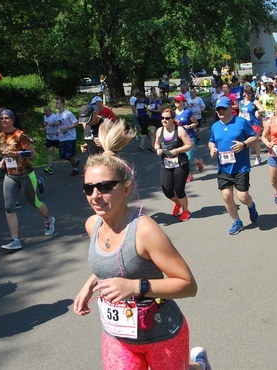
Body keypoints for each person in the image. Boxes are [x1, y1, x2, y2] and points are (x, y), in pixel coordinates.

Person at [72, 119, 211, 370]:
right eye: (89, 188)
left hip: (161, 334)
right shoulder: (93, 224)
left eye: (105, 187)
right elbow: (111, 263)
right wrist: (87, 287)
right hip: (117, 336)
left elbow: (188, 286)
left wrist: (136, 286)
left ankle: (199, 366)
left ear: (125, 189)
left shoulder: (144, 230)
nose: (95, 195)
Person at [0, 109, 55, 250]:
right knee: (8, 207)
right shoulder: (2, 135)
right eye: (1, 118)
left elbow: (32, 154)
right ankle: (15, 240)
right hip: (10, 175)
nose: (3, 120)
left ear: (12, 120)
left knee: (34, 202)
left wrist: (15, 153)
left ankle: (48, 219)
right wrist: (3, 160)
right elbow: (5, 152)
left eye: (6, 118)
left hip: (25, 174)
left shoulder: (20, 135)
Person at [209, 97, 259, 235]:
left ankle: (251, 206)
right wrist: (212, 148)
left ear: (231, 108)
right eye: (218, 109)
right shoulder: (215, 126)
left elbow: (254, 137)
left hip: (240, 167)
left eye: (223, 108)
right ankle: (237, 221)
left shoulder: (241, 122)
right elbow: (212, 141)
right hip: (223, 168)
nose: (220, 111)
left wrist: (243, 144)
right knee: (226, 196)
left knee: (242, 197)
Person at [154, 108, 193, 221]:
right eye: (162, 118)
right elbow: (156, 143)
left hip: (180, 163)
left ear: (172, 119)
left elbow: (189, 145)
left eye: (167, 118)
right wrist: (157, 149)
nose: (164, 120)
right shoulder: (159, 131)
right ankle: (177, 203)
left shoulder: (179, 130)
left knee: (179, 189)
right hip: (166, 163)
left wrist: (178, 150)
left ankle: (186, 211)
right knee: (167, 189)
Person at [174, 94, 204, 182]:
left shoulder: (188, 112)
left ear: (183, 102)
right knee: (182, 158)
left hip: (189, 137)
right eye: (175, 100)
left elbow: (196, 123)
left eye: (178, 101)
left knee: (189, 158)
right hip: (179, 138)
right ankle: (188, 175)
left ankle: (199, 162)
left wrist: (189, 126)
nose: (176, 102)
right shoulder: (173, 113)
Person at [239, 83, 266, 165]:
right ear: (244, 93)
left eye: (250, 93)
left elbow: (262, 109)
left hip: (254, 124)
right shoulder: (241, 102)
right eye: (246, 93)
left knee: (254, 141)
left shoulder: (254, 101)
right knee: (245, 142)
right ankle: (247, 159)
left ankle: (258, 157)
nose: (248, 95)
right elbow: (240, 113)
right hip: (245, 125)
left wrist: (258, 111)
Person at [55, 98, 80, 176]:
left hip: (70, 137)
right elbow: (60, 125)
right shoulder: (57, 115)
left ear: (62, 104)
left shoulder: (68, 113)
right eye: (55, 103)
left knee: (69, 154)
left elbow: (76, 123)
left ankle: (75, 169)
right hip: (62, 138)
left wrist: (67, 128)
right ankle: (75, 162)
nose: (56, 105)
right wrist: (58, 131)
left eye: (57, 103)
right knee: (62, 155)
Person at [42, 105, 59, 174]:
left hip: (56, 136)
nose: (45, 112)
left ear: (50, 111)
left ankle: (74, 161)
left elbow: (60, 124)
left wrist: (54, 124)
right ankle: (50, 167)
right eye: (44, 111)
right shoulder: (45, 117)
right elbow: (46, 125)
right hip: (49, 136)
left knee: (64, 152)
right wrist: (44, 128)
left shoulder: (55, 117)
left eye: (47, 111)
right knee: (50, 151)